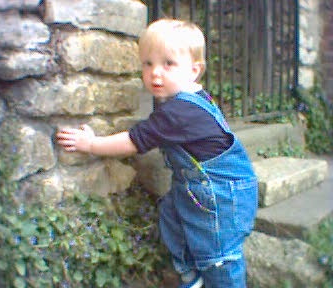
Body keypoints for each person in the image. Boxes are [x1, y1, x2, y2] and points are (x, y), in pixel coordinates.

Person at [57, 19, 258, 288]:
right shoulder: (190, 100)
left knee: (219, 255)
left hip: (220, 196)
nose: (155, 73)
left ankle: (214, 279)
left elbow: (132, 141)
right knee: (172, 215)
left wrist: (91, 145)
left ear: (194, 70)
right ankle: (192, 275)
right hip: (199, 188)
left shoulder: (180, 113)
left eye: (168, 64)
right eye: (147, 64)